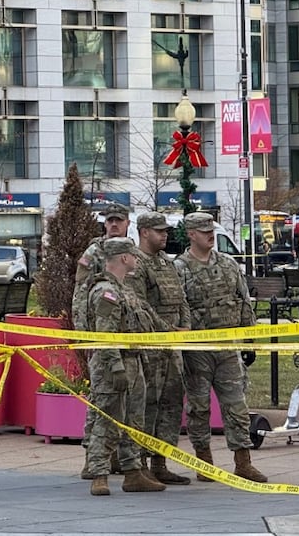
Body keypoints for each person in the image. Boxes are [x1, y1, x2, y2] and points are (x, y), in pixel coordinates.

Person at [173, 212, 267, 483]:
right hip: (197, 350)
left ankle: (243, 461)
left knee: (236, 405)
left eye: (211, 230)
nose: (209, 235)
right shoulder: (180, 268)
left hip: (227, 348)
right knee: (199, 408)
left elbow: (243, 299)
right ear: (191, 234)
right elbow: (178, 309)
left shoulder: (228, 264)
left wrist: (249, 338)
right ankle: (204, 462)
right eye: (203, 231)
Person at [85, 237, 167, 496]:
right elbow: (105, 334)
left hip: (134, 362)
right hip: (112, 365)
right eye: (132, 254)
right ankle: (99, 474)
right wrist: (116, 367)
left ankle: (133, 473)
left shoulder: (126, 289)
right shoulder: (105, 292)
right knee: (108, 419)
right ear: (123, 257)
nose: (135, 258)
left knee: (134, 421)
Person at [128, 211, 191, 485]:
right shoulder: (135, 263)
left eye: (166, 231)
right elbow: (139, 305)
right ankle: (139, 465)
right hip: (151, 346)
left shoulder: (167, 263)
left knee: (171, 404)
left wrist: (184, 327)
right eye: (159, 231)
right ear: (144, 232)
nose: (165, 235)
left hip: (172, 346)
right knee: (147, 405)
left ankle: (160, 461)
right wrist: (167, 331)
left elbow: (181, 298)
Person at [75, 201, 131, 480]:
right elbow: (80, 295)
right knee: (101, 398)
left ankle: (119, 457)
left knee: (125, 402)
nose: (113, 225)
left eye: (118, 220)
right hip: (100, 333)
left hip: (127, 336)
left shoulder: (132, 253)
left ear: (127, 223)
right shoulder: (94, 252)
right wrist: (85, 336)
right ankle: (92, 457)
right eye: (109, 221)